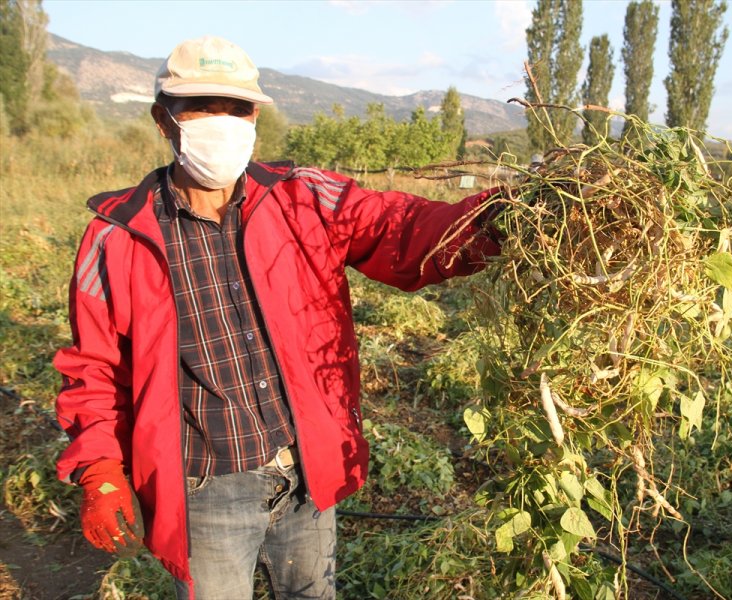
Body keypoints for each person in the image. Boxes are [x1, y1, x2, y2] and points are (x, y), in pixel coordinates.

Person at [54, 35, 501, 599]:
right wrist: (100, 469)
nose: (223, 123)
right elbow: (94, 370)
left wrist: (508, 217)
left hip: (305, 468)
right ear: (164, 119)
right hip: (204, 486)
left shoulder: (302, 198)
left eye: (237, 108)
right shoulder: (118, 236)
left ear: (256, 116)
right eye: (202, 107)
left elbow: (403, 229)